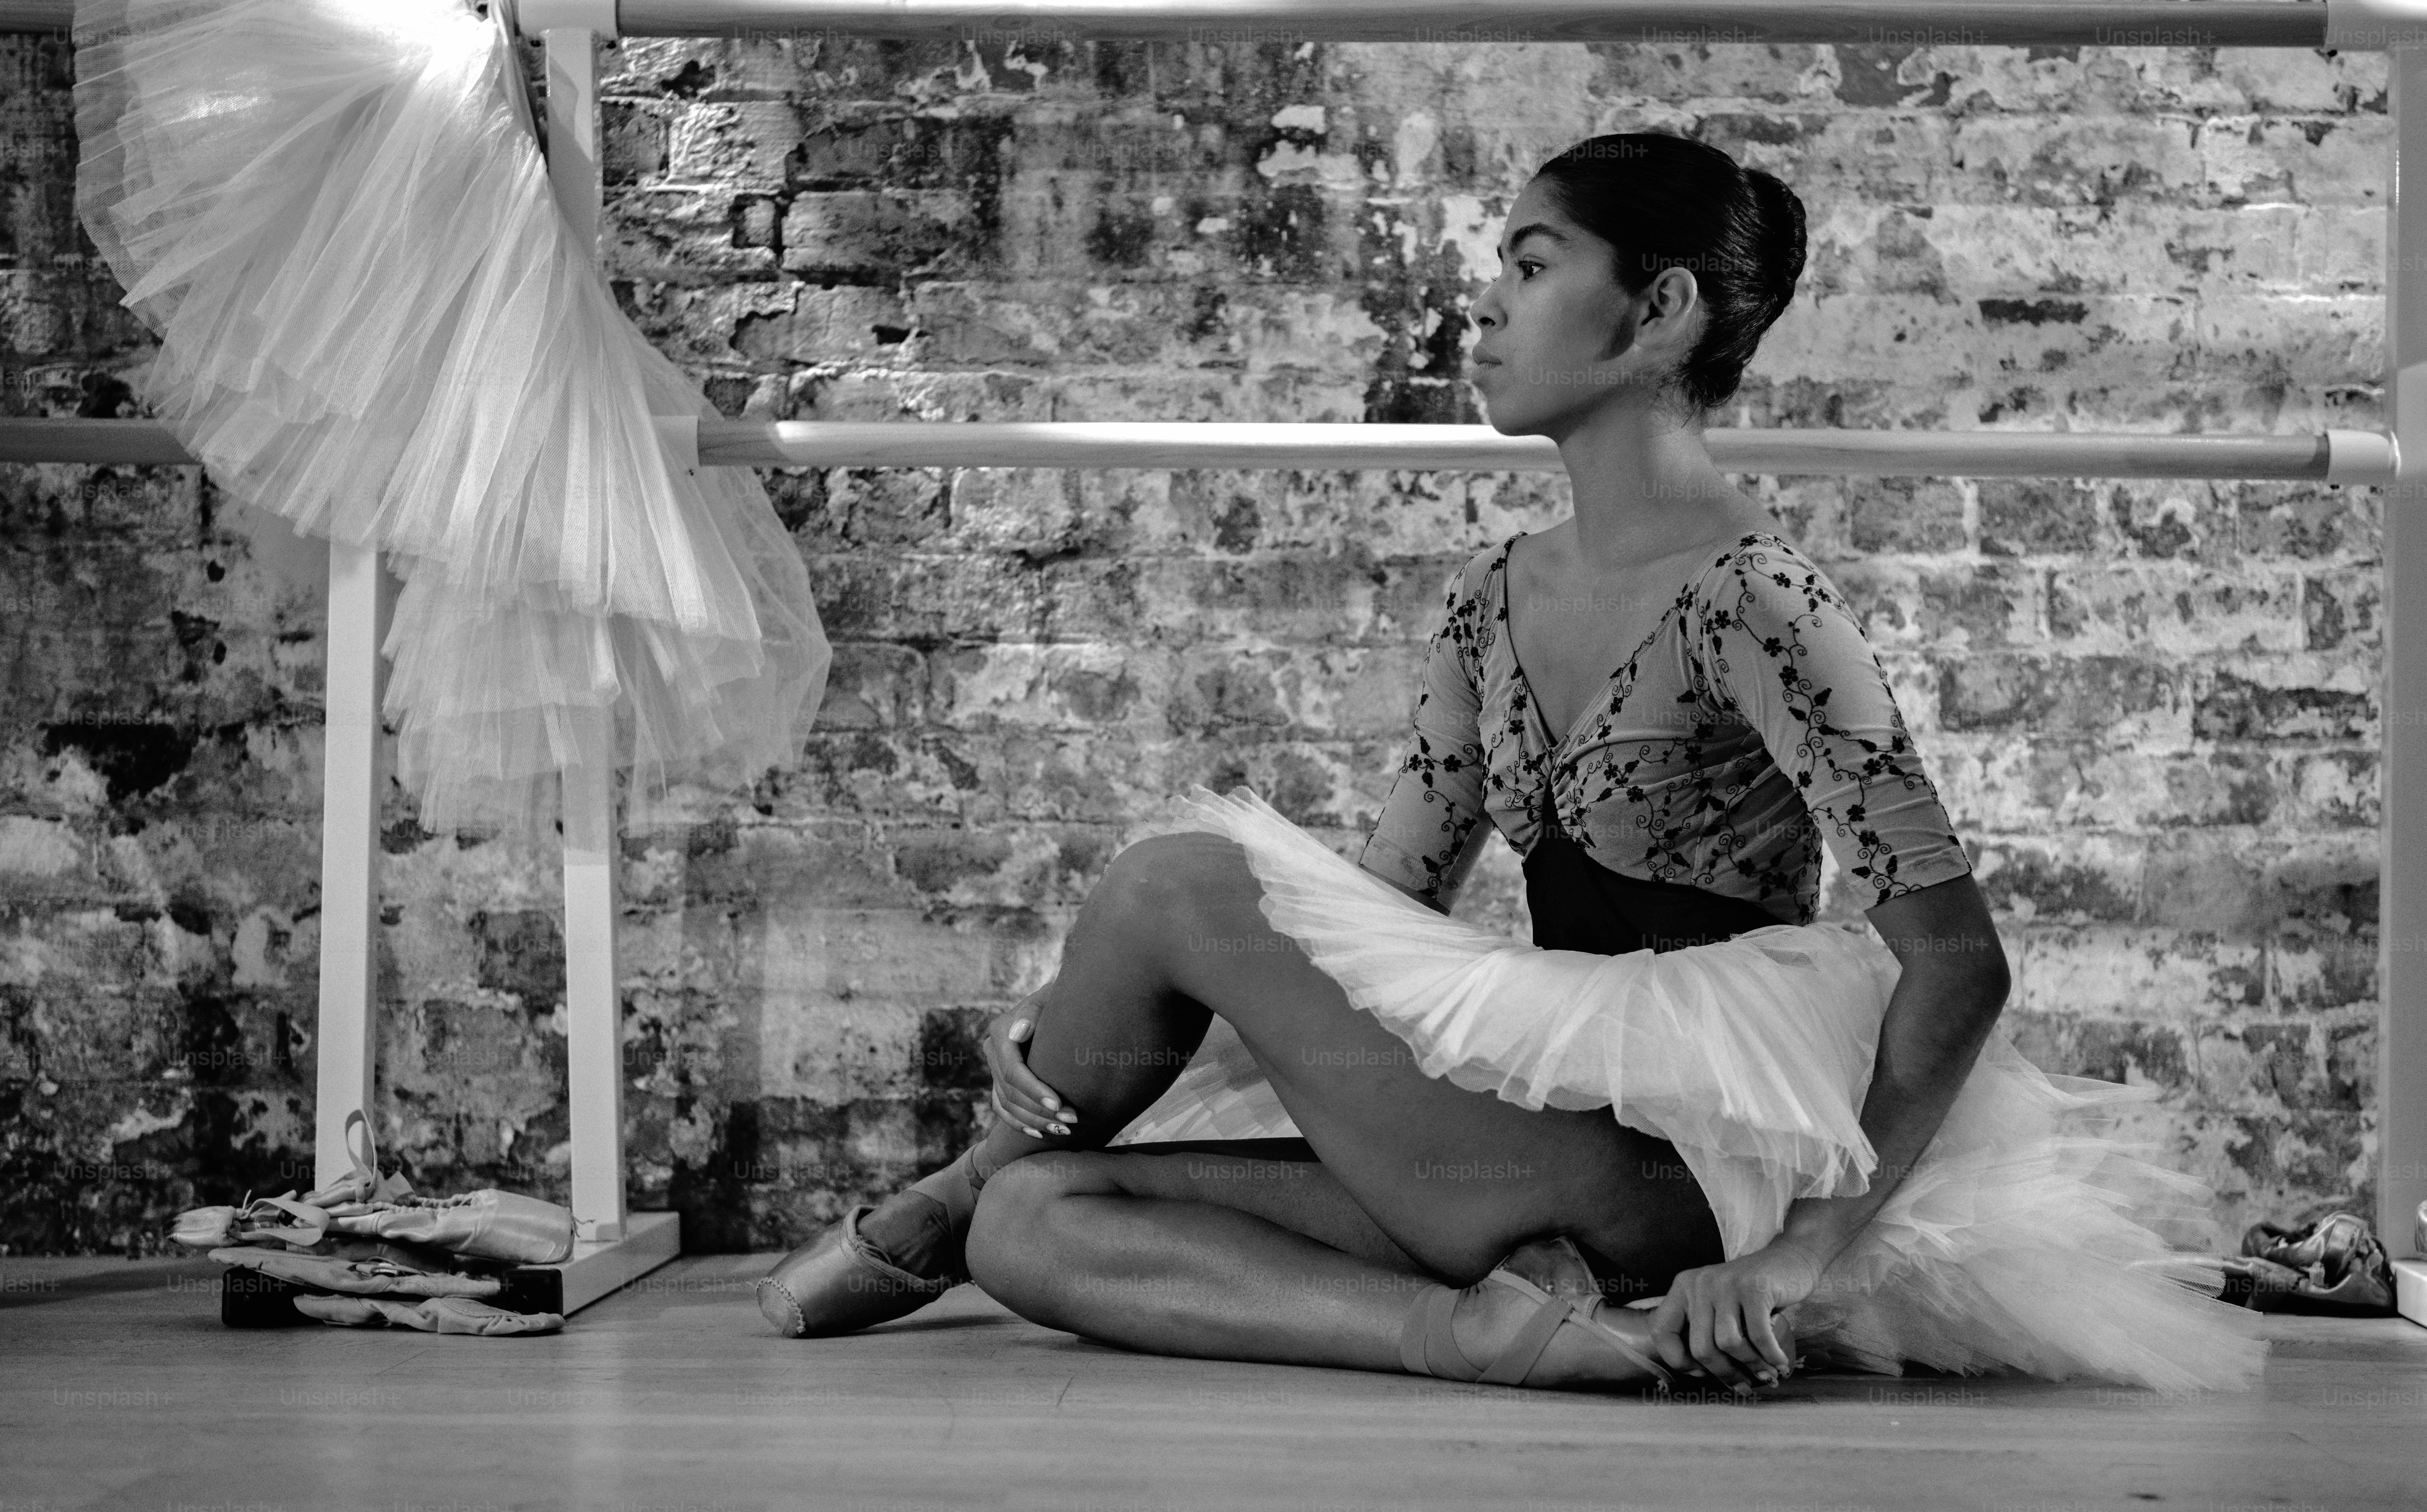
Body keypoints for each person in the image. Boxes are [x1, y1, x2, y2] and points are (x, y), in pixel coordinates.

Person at [755, 131, 2266, 1395]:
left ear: (1662, 308)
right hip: (1506, 1146)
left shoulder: (1757, 596)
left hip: (1669, 1151)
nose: (1484, 313)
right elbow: (1375, 927)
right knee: (1040, 1219)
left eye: (1532, 268)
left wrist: (1803, 1249)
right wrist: (1108, 1056)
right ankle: (1482, 1332)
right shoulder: (1492, 600)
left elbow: (1960, 961)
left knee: (1172, 880)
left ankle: (945, 1185)